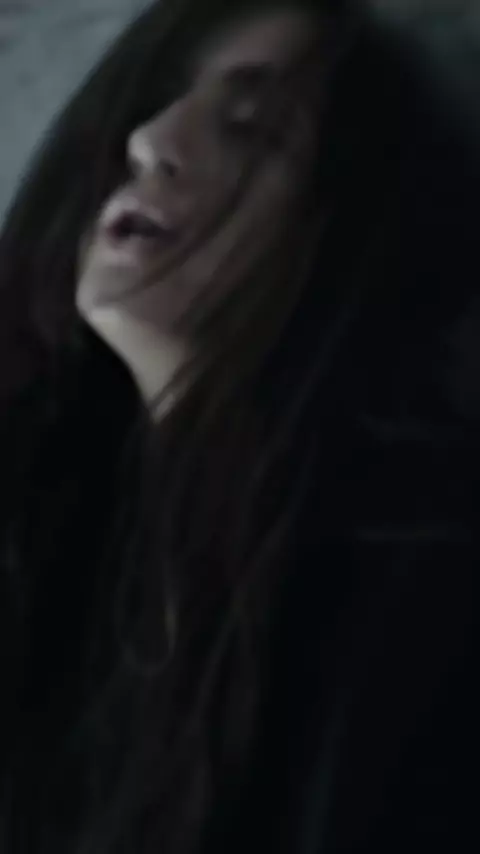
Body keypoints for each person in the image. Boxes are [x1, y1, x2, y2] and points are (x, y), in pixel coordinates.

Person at [0, 0, 478, 852]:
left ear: (347, 231)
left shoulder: (418, 584)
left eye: (252, 129)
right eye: (156, 99)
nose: (150, 140)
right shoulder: (52, 520)